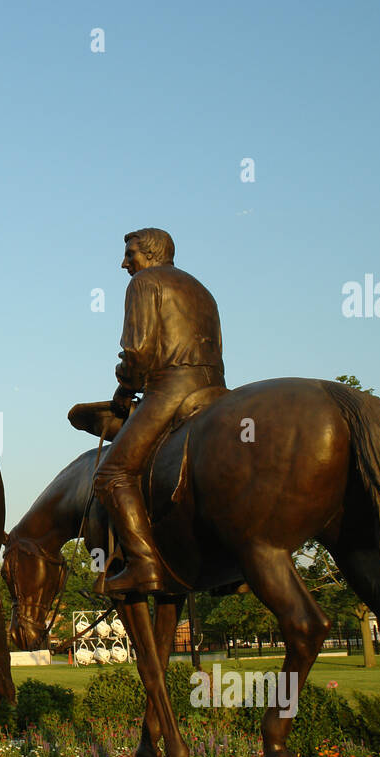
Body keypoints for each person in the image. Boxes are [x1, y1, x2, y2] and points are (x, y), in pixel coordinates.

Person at [93, 228, 226, 595]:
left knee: (112, 476)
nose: (125, 263)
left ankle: (144, 565)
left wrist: (124, 390)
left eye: (130, 253)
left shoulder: (145, 283)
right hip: (214, 391)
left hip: (171, 391)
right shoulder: (202, 290)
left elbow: (138, 351)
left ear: (149, 254)